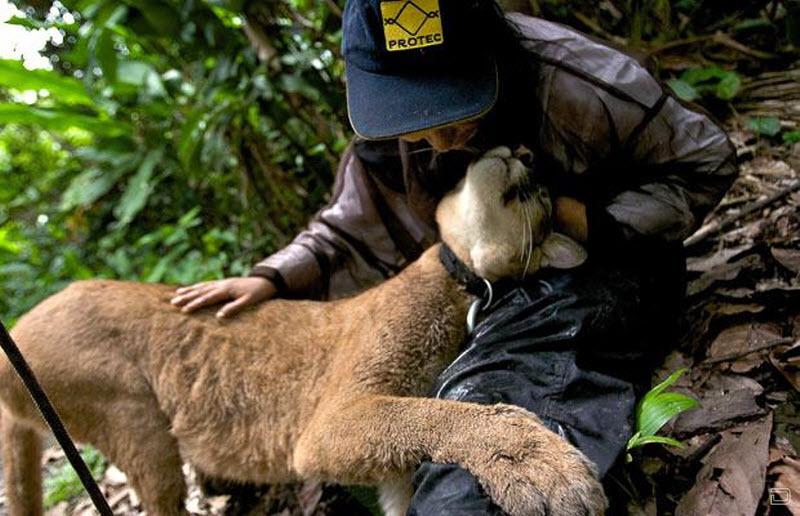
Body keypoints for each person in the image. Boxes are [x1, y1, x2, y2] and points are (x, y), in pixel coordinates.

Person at [171, 0, 737, 512]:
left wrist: (578, 218)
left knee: (510, 417)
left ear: (490, 48)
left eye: (455, 110)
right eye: (419, 120)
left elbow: (705, 164)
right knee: (443, 400)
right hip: (476, 289)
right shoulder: (385, 128)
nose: (439, 142)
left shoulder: (576, 81)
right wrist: (273, 276)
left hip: (590, 266)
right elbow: (349, 225)